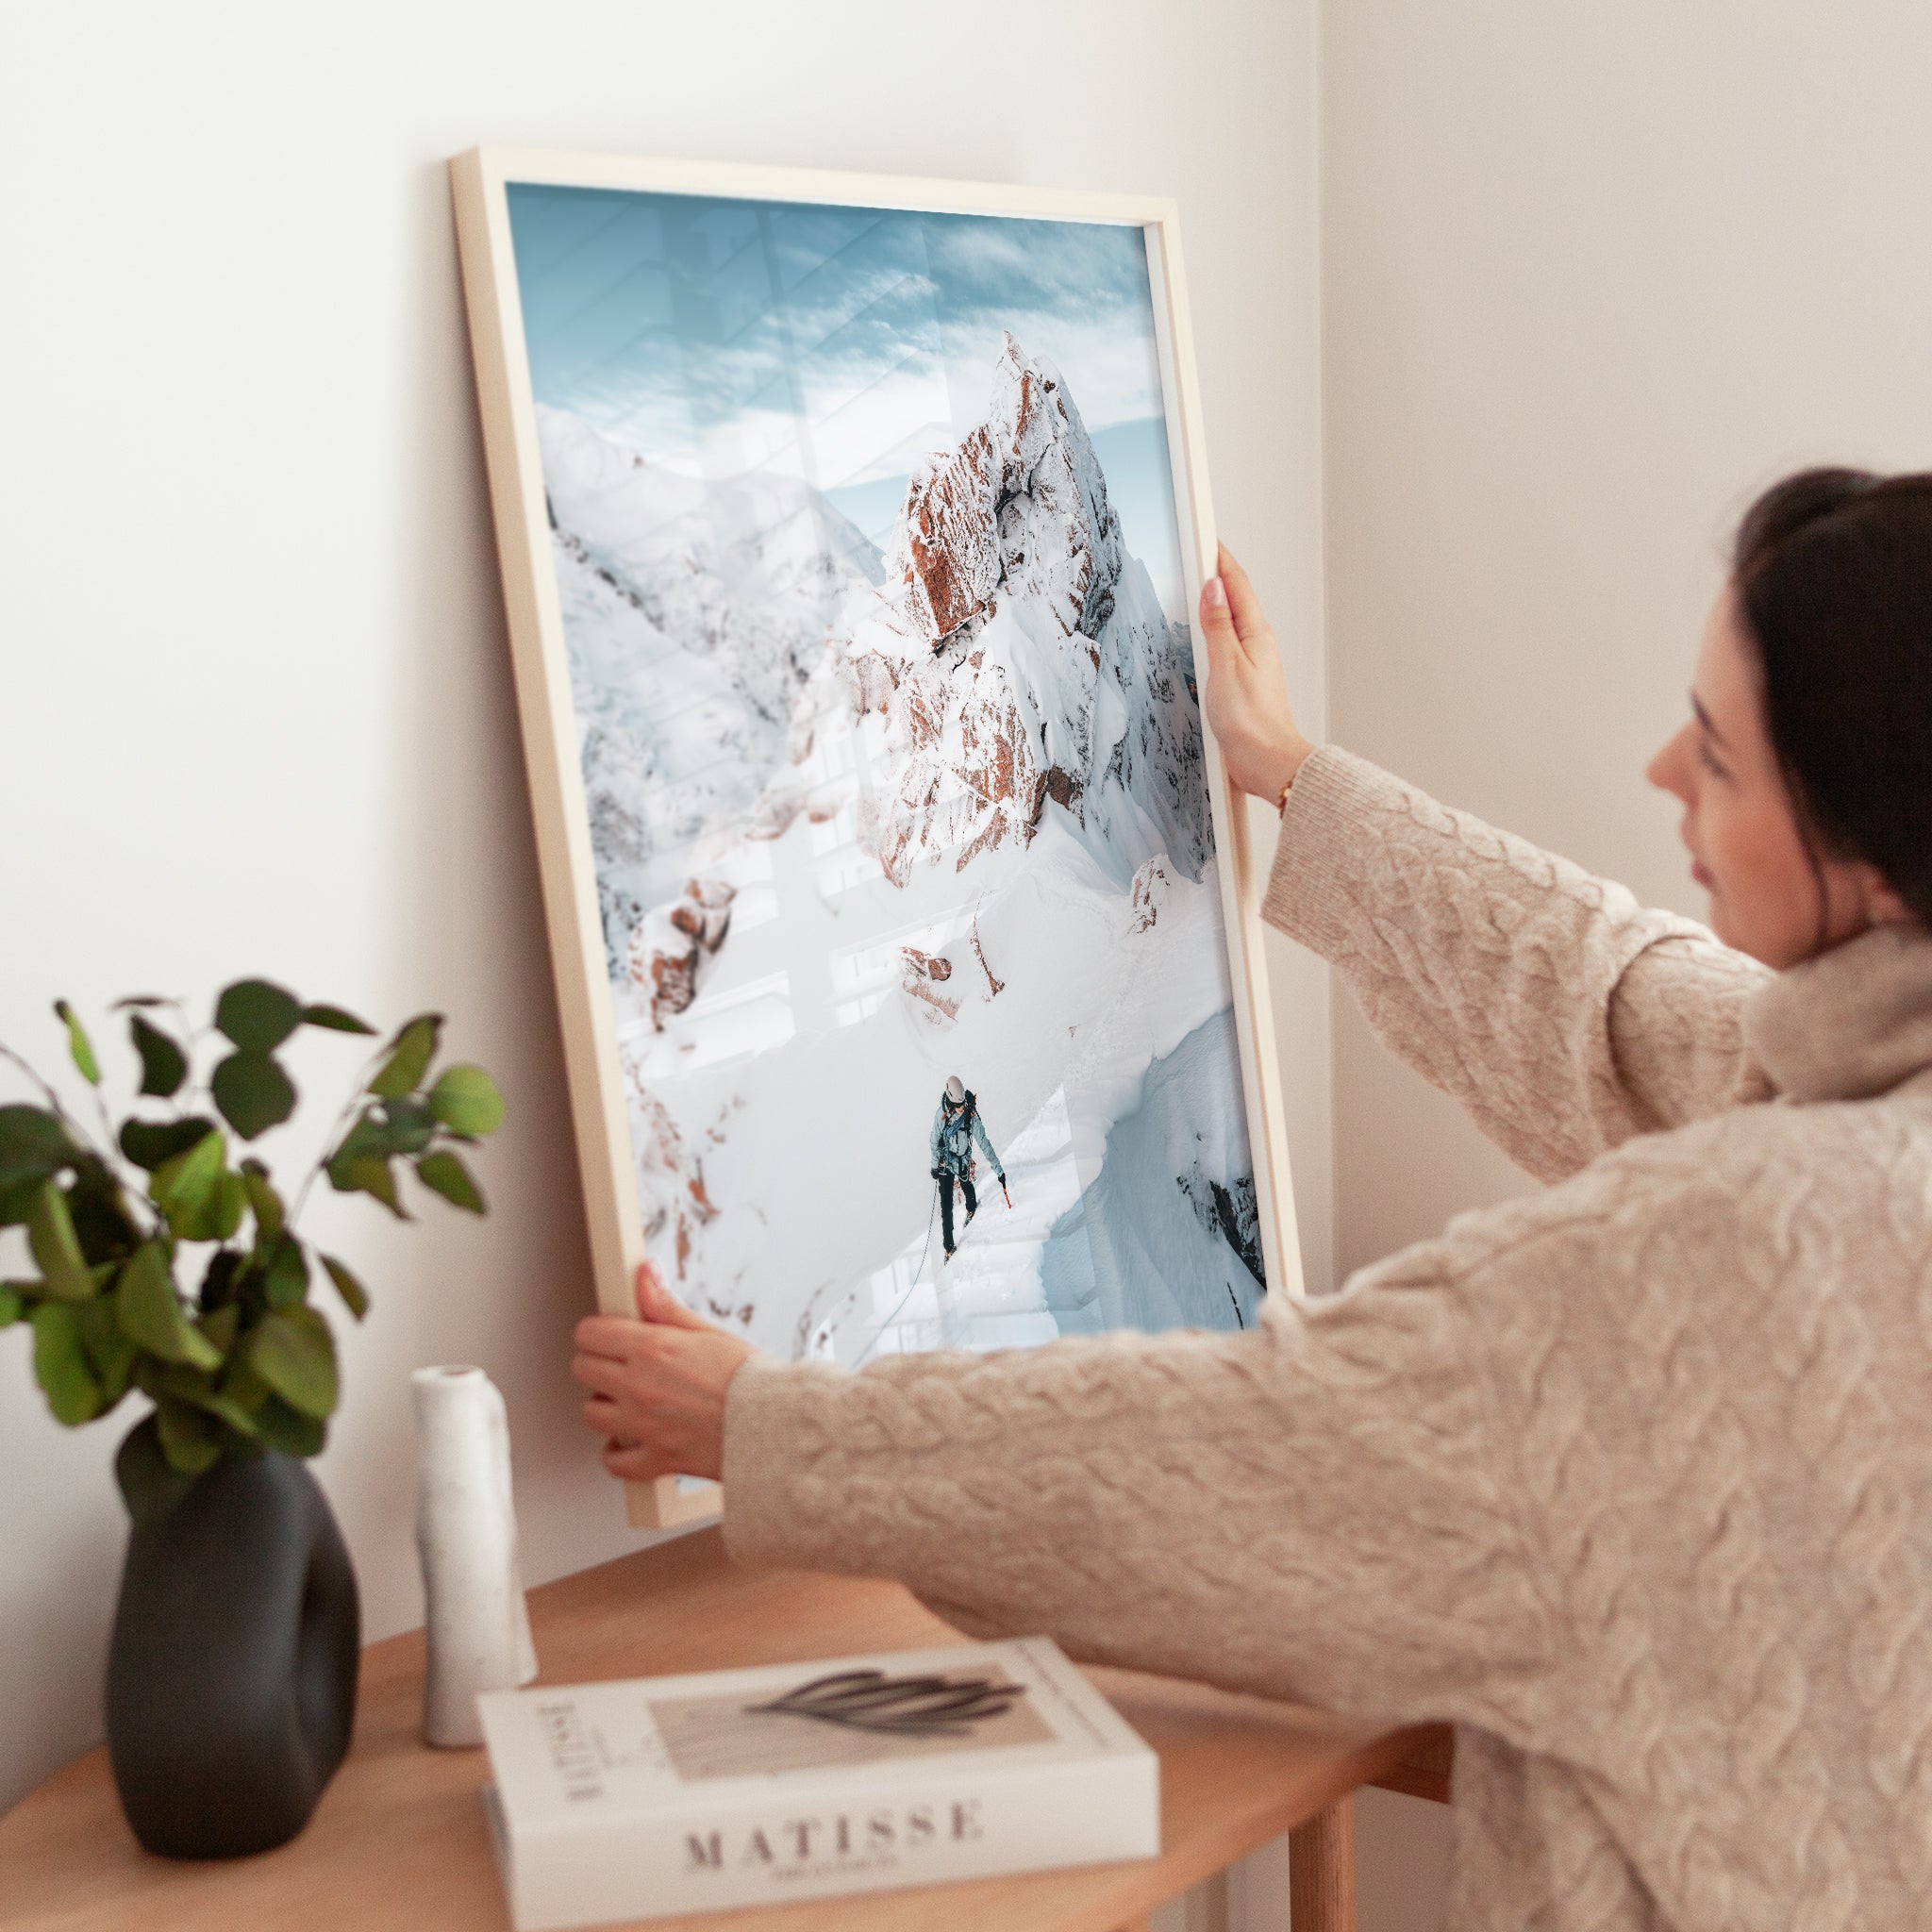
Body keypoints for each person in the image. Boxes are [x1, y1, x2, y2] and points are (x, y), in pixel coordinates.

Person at [572, 470, 1932, 1927]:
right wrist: (1291, 774)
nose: (1664, 769)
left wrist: (762, 1430)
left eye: (1721, 759)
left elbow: (1241, 1457)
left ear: (1872, 855)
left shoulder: (1725, 1264)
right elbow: (1615, 1004)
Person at [928, 1073, 1004, 1259]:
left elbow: (984, 1143)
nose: (961, 1108)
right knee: (946, 1207)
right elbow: (934, 1141)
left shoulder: (970, 1116)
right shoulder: (941, 1116)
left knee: (966, 1184)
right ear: (950, 1102)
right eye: (957, 1105)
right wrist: (934, 1167)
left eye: (962, 1104)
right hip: (946, 1164)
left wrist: (998, 1170)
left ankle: (971, 1208)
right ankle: (949, 1247)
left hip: (961, 1160)